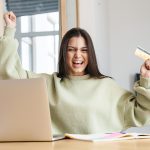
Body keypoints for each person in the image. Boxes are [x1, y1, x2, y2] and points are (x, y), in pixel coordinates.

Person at [1, 11, 150, 135]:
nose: (77, 55)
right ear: (63, 54)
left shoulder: (107, 86)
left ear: (90, 54)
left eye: (84, 50)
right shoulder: (47, 84)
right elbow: (11, 75)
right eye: (71, 49)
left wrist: (146, 78)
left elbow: (142, 112)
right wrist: (10, 30)